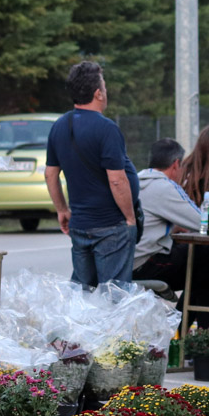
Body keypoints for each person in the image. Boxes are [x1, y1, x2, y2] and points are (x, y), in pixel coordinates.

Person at [44, 61, 142, 287]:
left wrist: (62, 210)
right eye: (104, 87)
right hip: (110, 226)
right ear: (98, 93)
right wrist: (129, 218)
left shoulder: (60, 125)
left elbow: (50, 175)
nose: (106, 92)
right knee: (113, 295)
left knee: (84, 293)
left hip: (79, 225)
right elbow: (116, 180)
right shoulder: (107, 128)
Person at [134, 137, 209, 326]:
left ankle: (189, 330)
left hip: (128, 262)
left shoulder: (137, 181)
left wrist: (172, 226)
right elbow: (202, 221)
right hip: (146, 264)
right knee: (207, 257)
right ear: (176, 164)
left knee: (204, 266)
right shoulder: (165, 186)